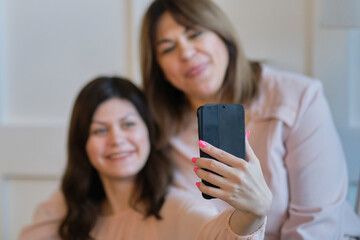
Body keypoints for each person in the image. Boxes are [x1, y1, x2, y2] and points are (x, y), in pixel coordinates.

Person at [139, 0, 360, 239]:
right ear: (158, 67)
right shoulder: (157, 128)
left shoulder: (298, 98)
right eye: (168, 48)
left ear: (222, 34)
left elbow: (317, 224)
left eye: (195, 34)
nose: (186, 53)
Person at [18, 76, 271, 240]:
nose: (116, 139)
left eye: (128, 124)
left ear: (149, 133)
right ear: (82, 143)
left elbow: (218, 234)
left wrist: (253, 214)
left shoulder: (175, 207)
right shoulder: (67, 206)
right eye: (100, 130)